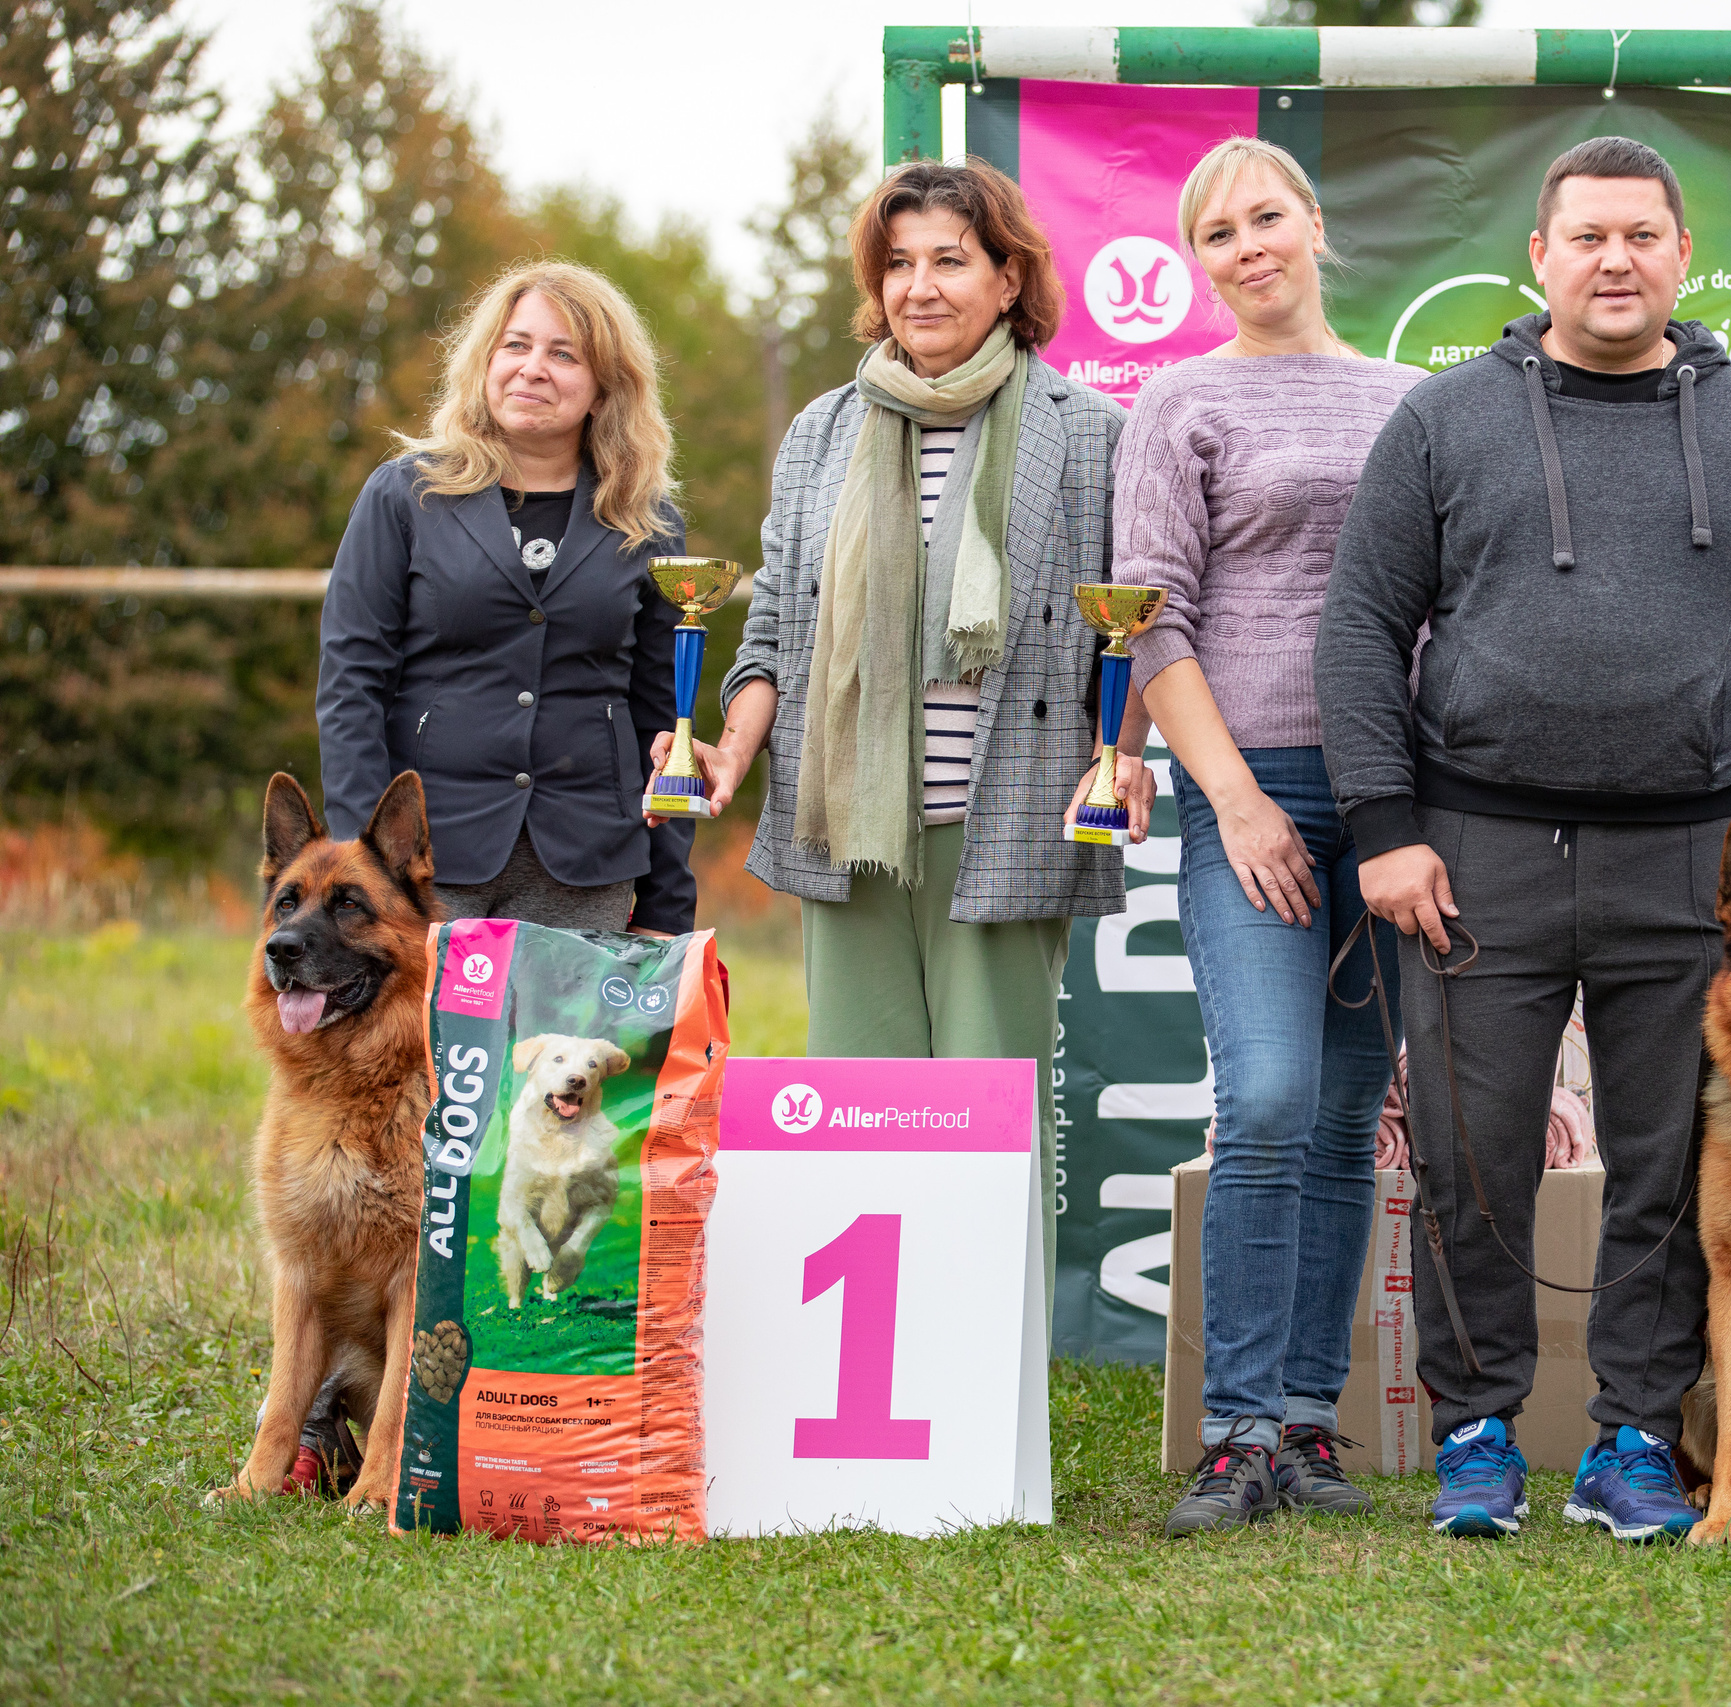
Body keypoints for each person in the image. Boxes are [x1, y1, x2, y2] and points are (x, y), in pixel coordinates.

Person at [1314, 137, 1731, 1543]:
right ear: (1540, 261)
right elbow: (1360, 633)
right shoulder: (1445, 423)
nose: (1614, 259)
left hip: (1694, 870)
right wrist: (1386, 828)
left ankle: (1634, 1429)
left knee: (1667, 1163)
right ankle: (1479, 1431)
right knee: (1471, 1152)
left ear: (1683, 258)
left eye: (1641, 235)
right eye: (1587, 237)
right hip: (1475, 849)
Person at [667, 160, 1129, 1310]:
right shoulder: (825, 430)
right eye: (900, 262)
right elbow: (773, 621)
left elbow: (1126, 629)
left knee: (987, 1125)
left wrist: (1121, 757)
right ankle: (879, 1378)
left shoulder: (1090, 432)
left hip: (1006, 824)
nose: (921, 287)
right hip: (848, 826)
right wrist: (729, 744)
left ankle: (985, 1383)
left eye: (950, 260)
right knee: (864, 1120)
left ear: (1007, 274)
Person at [1088, 138, 1423, 1536]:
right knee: (1271, 1098)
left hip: (1401, 801)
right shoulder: (1180, 404)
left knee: (1350, 1115)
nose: (1246, 244)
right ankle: (1232, 1431)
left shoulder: (1416, 402)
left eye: (1266, 215)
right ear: (1202, 262)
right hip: (1255, 786)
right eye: (1216, 232)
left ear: (1317, 222)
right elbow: (1148, 617)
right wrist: (1234, 798)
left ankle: (1303, 1418)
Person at [319, 261, 693, 935]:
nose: (532, 368)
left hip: (587, 866)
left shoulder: (651, 523)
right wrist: (363, 866)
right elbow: (351, 688)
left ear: (604, 389)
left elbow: (665, 720)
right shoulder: (403, 496)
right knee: (426, 1047)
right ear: (484, 362)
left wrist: (667, 901)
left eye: (563, 354)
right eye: (515, 345)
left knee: (566, 1047)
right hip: (426, 869)